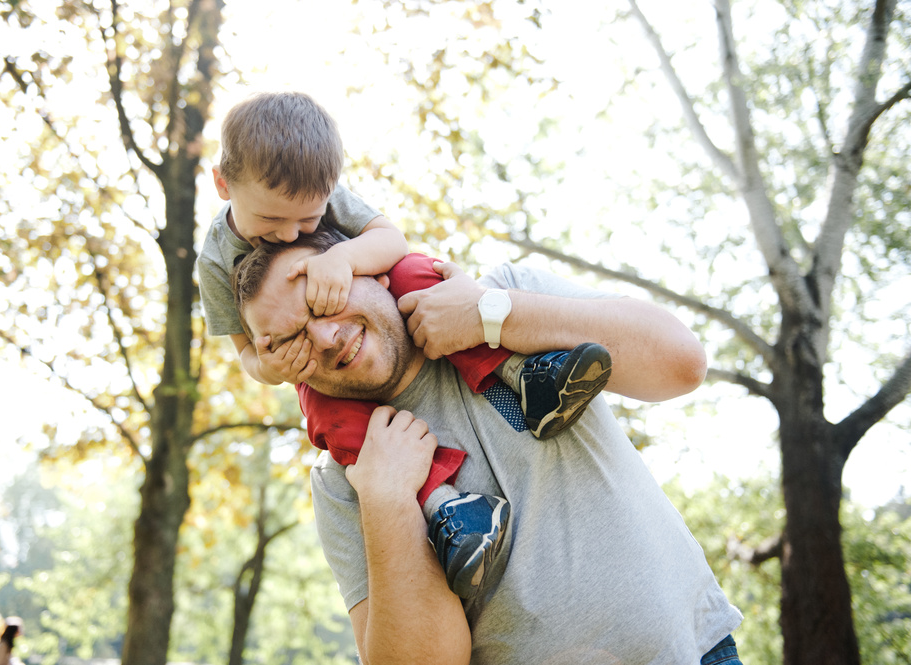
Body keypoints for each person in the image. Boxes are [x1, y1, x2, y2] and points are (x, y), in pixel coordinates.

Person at [234, 231, 745, 665]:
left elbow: (681, 363)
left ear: (370, 270)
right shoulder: (342, 479)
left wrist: (490, 316)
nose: (323, 337)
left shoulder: (505, 293)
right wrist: (388, 502)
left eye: (322, 300)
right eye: (291, 340)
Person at [198, 91, 612, 599]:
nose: (289, 235)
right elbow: (245, 352)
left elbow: (390, 241)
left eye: (307, 220)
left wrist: (344, 259)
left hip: (368, 295)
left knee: (419, 272)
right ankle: (446, 507)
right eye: (271, 223)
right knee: (327, 420)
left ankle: (525, 378)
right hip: (316, 363)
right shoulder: (215, 262)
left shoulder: (321, 193)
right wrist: (271, 366)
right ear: (223, 183)